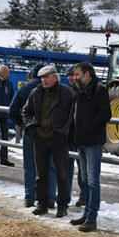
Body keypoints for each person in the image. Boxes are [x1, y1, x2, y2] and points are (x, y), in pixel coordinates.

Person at [22, 63, 74, 218]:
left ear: (55, 77)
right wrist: (32, 127)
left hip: (58, 139)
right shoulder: (36, 92)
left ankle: (62, 206)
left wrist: (64, 132)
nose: (43, 80)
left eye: (46, 77)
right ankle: (42, 204)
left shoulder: (66, 93)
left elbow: (72, 115)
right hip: (40, 138)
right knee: (41, 174)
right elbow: (26, 111)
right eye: (42, 78)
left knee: (62, 174)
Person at [70, 62, 111, 232]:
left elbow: (105, 114)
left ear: (88, 74)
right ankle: (87, 214)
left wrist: (89, 129)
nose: (74, 77)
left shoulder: (99, 89)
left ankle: (92, 218)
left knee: (93, 181)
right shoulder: (81, 90)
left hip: (93, 142)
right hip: (82, 141)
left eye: (77, 74)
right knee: (85, 180)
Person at [9, 64, 57, 208]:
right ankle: (49, 199)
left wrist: (24, 125)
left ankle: (30, 197)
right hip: (50, 133)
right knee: (49, 166)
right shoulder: (56, 88)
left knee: (30, 165)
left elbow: (12, 111)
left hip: (31, 132)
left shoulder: (25, 88)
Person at [66, 65, 87, 207]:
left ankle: (84, 195)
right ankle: (65, 195)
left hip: (79, 136)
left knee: (82, 169)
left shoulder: (81, 92)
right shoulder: (66, 91)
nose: (70, 77)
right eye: (69, 75)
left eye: (73, 75)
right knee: (66, 168)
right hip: (68, 136)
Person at [0, 65, 15, 167]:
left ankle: (4, 159)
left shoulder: (8, 84)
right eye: (6, 73)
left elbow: (12, 97)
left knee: (5, 137)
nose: (8, 75)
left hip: (4, 113)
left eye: (8, 73)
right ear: (0, 73)